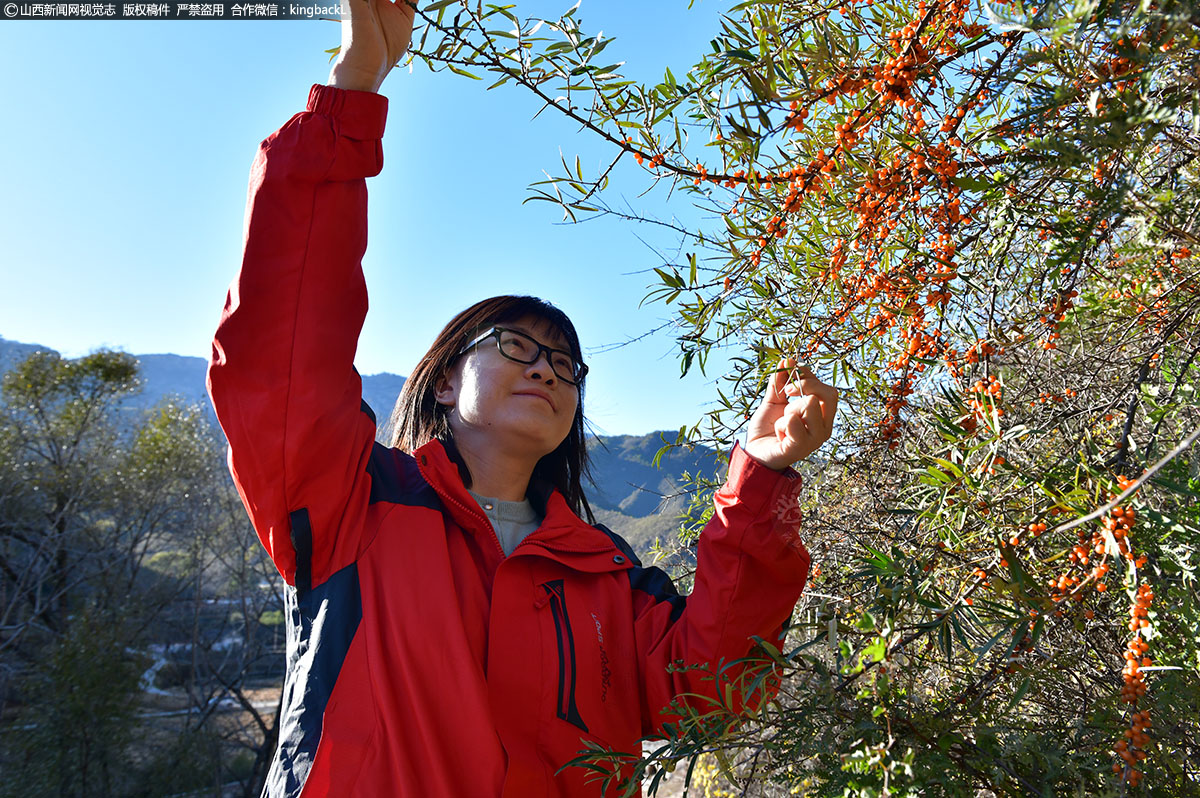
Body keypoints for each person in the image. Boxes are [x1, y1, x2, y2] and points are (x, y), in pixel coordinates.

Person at [206, 0, 839, 795]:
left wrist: (763, 475)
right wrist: (352, 95)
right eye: (517, 347)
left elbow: (713, 694)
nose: (546, 370)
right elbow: (282, 348)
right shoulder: (350, 509)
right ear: (443, 379)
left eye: (566, 365)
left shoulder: (607, 574)